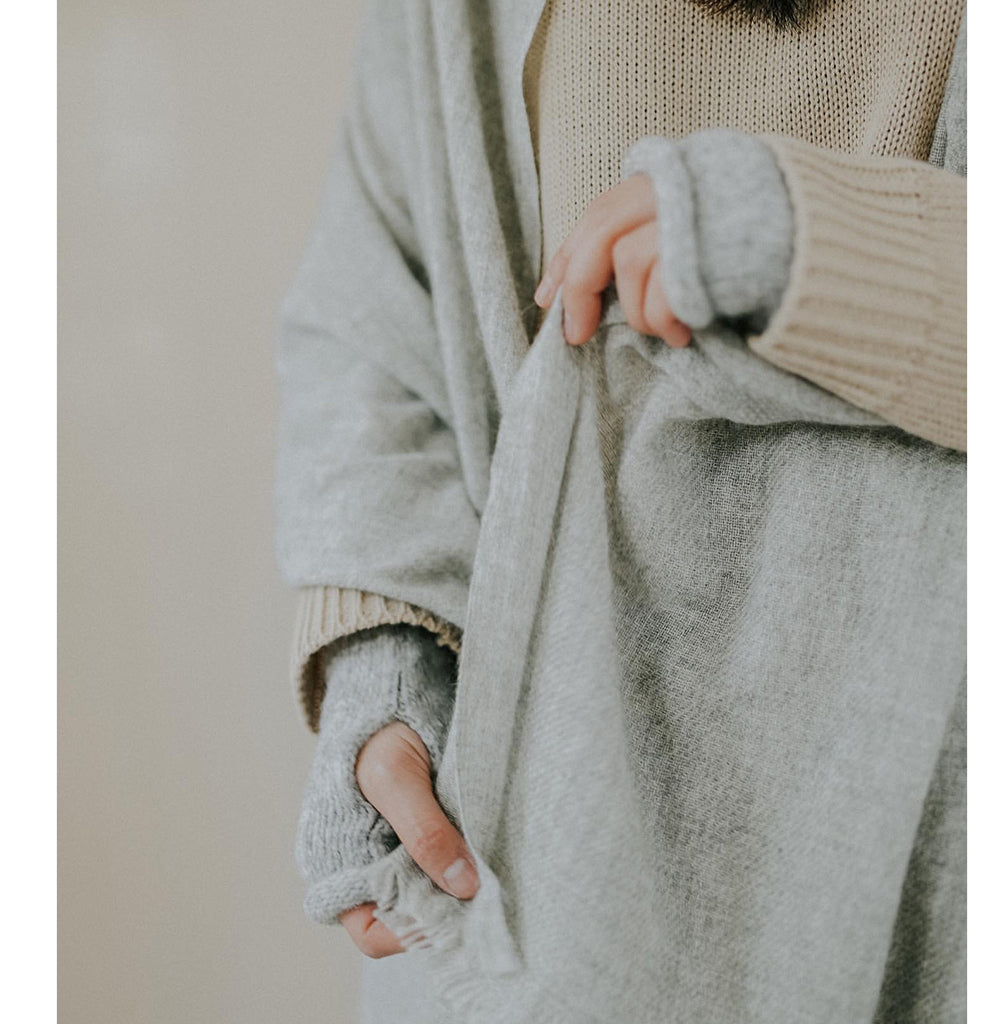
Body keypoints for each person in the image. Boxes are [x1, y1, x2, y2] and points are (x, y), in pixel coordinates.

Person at [276, 1, 966, 1021]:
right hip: (532, 816)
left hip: (927, 808)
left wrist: (828, 244)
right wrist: (384, 644)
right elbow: (373, 302)